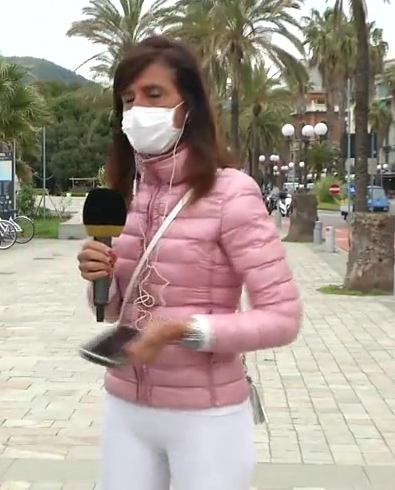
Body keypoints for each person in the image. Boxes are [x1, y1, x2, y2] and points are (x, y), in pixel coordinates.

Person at [76, 36, 302, 490]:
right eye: (128, 99)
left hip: (206, 419)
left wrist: (183, 331)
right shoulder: (129, 195)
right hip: (127, 407)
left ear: (189, 106)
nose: (138, 108)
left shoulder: (232, 193)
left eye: (153, 94)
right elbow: (121, 310)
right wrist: (99, 278)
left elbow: (283, 318)